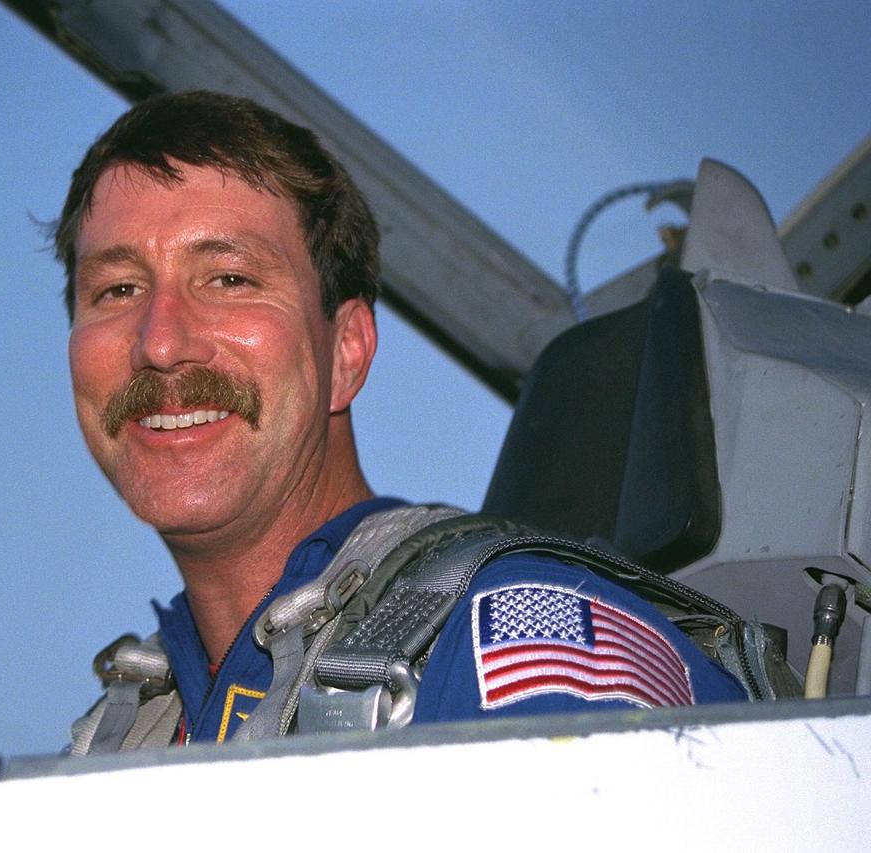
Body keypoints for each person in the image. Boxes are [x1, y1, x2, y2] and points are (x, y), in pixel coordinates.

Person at [54, 90, 745, 749]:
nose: (161, 341)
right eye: (118, 289)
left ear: (347, 351)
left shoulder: (517, 641)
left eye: (230, 279)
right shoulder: (129, 732)